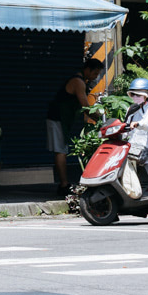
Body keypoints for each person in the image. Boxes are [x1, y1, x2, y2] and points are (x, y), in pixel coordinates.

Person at [48, 56, 105, 193]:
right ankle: (63, 185)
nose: (96, 77)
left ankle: (63, 183)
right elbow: (85, 107)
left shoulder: (80, 80)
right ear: (87, 69)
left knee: (62, 149)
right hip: (58, 118)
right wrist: (102, 120)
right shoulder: (78, 82)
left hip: (62, 119)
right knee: (61, 150)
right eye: (95, 73)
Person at [123, 77, 148, 174]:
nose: (135, 97)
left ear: (147, 96)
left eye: (139, 95)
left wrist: (138, 124)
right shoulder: (130, 109)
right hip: (132, 150)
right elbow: (126, 128)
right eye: (133, 94)